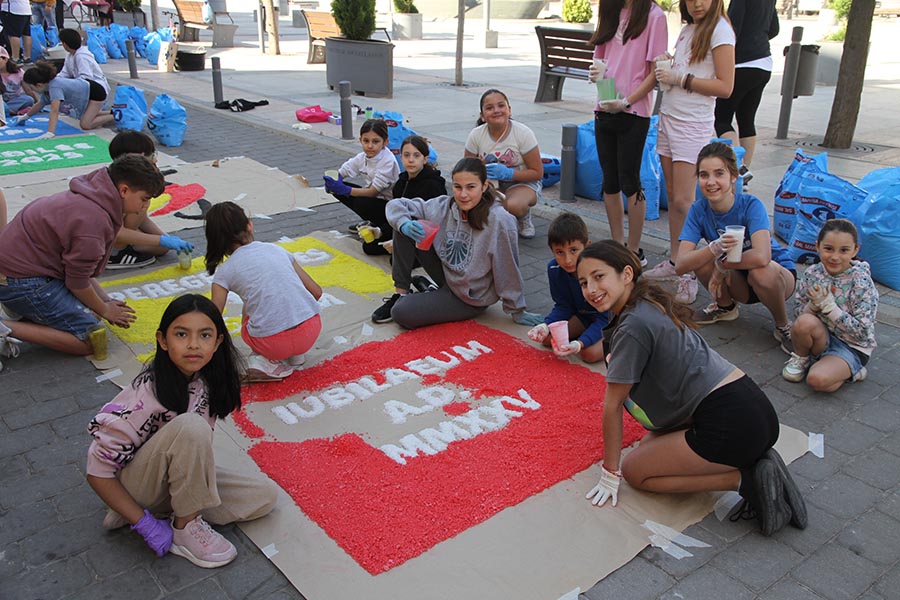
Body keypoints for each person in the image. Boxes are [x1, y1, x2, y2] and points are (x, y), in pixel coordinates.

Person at [577, 240, 806, 537]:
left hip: (731, 424)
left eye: (598, 276)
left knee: (636, 472)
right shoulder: (647, 302)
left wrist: (610, 474)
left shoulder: (633, 325)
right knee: (648, 447)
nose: (590, 289)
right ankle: (754, 458)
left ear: (627, 274)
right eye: (583, 282)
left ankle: (745, 478)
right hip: (752, 410)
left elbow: (612, 406)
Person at [85, 294, 279, 568]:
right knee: (191, 426)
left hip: (170, 482)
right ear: (163, 340)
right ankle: (182, 527)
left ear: (218, 341)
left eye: (204, 335)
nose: (193, 345)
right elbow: (98, 471)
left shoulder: (209, 381)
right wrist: (144, 524)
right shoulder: (145, 394)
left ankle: (173, 513)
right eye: (181, 334)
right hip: (137, 485)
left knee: (264, 496)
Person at [0, 155, 164, 360]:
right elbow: (77, 282)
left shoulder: (94, 193)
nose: (144, 206)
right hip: (21, 281)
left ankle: (22, 306)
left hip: (20, 271)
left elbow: (79, 271)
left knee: (93, 308)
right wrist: (105, 309)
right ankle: (4, 326)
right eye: (145, 198)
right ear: (123, 190)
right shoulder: (93, 220)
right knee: (91, 339)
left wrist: (106, 301)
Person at [373, 157, 543, 329]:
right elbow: (396, 205)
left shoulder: (500, 220)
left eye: (471, 187)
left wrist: (517, 309)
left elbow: (507, 267)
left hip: (468, 298)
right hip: (446, 275)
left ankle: (427, 296)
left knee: (401, 312)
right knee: (404, 224)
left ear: (484, 186)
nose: (463, 194)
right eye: (457, 187)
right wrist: (404, 224)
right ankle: (401, 293)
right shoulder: (445, 205)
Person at [644, 0, 735, 306]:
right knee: (673, 196)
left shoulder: (720, 30)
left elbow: (725, 86)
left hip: (692, 124)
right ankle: (676, 260)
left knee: (684, 200)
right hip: (669, 115)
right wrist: (670, 64)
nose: (696, 3)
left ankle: (688, 271)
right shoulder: (688, 27)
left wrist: (681, 78)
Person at [674, 142, 796, 352]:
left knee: (760, 272)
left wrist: (721, 265)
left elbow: (762, 256)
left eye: (718, 174)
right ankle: (725, 307)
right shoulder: (698, 210)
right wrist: (713, 248)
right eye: (704, 175)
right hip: (737, 278)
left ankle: (783, 325)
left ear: (733, 176)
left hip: (777, 278)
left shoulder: (751, 205)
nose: (711, 182)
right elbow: (681, 265)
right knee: (701, 259)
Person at [206, 201, 324, 381]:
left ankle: (264, 361)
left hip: (272, 344)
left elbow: (212, 318)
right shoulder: (277, 249)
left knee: (249, 306)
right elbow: (316, 292)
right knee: (273, 299)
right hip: (310, 332)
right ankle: (296, 356)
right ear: (249, 226)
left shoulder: (225, 271)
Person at [588, 0, 668, 265]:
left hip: (634, 111)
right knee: (609, 180)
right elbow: (600, 58)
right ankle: (616, 243)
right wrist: (596, 76)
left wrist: (627, 101)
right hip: (605, 104)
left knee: (630, 180)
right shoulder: (610, 9)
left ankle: (634, 251)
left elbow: (655, 73)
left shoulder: (654, 16)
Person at [782, 219, 878, 391]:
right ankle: (801, 358)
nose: (834, 257)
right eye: (828, 249)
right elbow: (798, 314)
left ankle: (853, 369)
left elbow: (862, 332)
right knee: (804, 321)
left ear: (855, 250)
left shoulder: (861, 282)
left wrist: (830, 308)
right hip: (822, 337)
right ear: (817, 246)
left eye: (844, 250)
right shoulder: (813, 273)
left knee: (817, 381)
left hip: (851, 345)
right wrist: (813, 306)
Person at [527, 212, 610, 363]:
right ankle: (588, 334)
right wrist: (545, 325)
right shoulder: (554, 269)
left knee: (589, 354)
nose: (568, 260)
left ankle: (622, 340)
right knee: (546, 338)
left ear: (587, 246)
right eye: (560, 252)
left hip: (611, 320)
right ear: (552, 251)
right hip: (584, 316)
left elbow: (606, 318)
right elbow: (563, 306)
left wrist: (581, 342)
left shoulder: (599, 272)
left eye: (573, 250)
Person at [714, 0, 778, 191]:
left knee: (721, 119)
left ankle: (738, 170)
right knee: (746, 120)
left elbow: (732, 30)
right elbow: (774, 28)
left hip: (741, 63)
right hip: (764, 63)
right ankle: (744, 175)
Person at [106, 131, 194, 270]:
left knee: (161, 248)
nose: (155, 160)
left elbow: (142, 218)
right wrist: (161, 240)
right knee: (158, 243)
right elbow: (117, 232)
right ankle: (114, 254)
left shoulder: (133, 178)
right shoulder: (117, 187)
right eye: (152, 155)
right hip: (104, 238)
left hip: (117, 232)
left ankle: (124, 246)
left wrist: (165, 239)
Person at [464, 89, 544, 239]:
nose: (496, 111)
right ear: (482, 116)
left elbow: (537, 172)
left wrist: (509, 173)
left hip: (523, 182)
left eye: (501, 106)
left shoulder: (523, 133)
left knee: (512, 206)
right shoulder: (476, 135)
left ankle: (523, 216)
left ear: (509, 110)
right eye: (489, 108)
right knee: (481, 206)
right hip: (491, 183)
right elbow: (466, 169)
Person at [323, 118, 400, 256]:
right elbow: (345, 170)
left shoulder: (387, 161)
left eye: (375, 141)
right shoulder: (362, 156)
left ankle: (380, 224)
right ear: (360, 140)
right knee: (340, 189)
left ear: (385, 142)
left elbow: (372, 192)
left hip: (390, 205)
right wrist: (334, 180)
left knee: (361, 201)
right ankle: (373, 222)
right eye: (366, 141)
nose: (370, 146)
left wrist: (345, 190)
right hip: (376, 199)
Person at [17, 60, 114, 137]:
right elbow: (39, 104)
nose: (31, 90)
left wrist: (50, 132)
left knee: (85, 124)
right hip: (87, 91)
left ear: (38, 85)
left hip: (95, 93)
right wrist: (25, 117)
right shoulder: (47, 88)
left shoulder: (54, 87)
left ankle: (116, 115)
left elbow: (54, 110)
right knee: (87, 115)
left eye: (31, 88)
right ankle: (112, 111)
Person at [57, 27, 110, 99]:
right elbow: (65, 73)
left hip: (97, 92)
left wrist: (69, 84)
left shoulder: (82, 56)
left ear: (65, 44)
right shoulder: (70, 55)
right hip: (84, 90)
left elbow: (86, 78)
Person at [1, 45, 36, 114]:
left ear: (5, 59)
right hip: (2, 101)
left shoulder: (18, 72)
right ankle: (13, 111)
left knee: (29, 100)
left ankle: (9, 111)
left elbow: (28, 91)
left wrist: (37, 103)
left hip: (15, 100)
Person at [1, 0, 33, 64]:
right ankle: (27, 57)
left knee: (14, 35)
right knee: (26, 34)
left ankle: (15, 58)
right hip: (26, 9)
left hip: (13, 10)